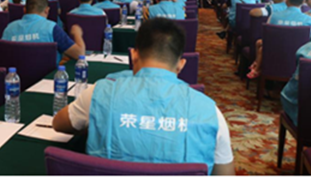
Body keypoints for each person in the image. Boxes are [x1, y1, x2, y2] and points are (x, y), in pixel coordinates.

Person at [52, 18, 234, 174]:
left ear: (133, 55)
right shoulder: (211, 113)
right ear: (181, 65)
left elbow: (59, 123)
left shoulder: (99, 93)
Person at [247, 0, 311, 79]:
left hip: (274, 58)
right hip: (297, 62)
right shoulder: (309, 20)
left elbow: (267, 38)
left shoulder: (274, 17)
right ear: (303, 2)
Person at [2, 0, 86, 64]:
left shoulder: (9, 29)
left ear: (24, 10)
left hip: (15, 77)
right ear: (47, 10)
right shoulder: (52, 28)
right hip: (48, 77)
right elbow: (80, 54)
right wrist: (77, 34)